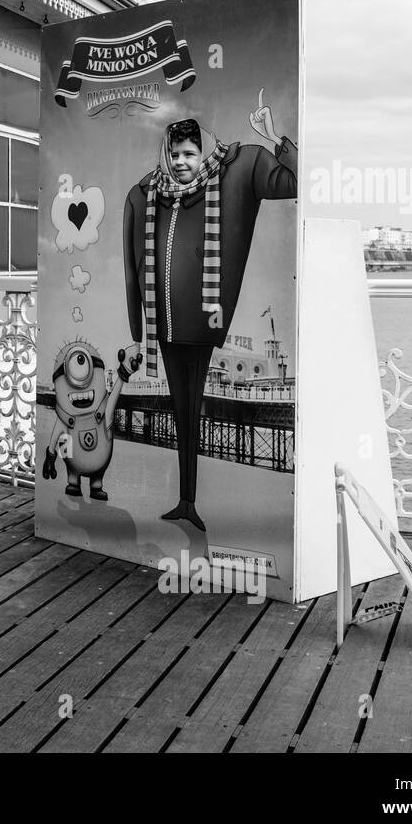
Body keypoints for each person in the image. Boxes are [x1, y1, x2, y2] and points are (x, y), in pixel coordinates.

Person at [122, 103, 297, 533]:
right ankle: (185, 499)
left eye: (189, 155)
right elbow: (131, 262)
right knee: (182, 411)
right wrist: (137, 325)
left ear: (202, 154)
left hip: (202, 322)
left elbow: (295, 181)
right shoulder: (147, 194)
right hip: (163, 325)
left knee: (192, 407)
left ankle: (189, 498)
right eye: (175, 154)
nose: (182, 163)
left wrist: (274, 138)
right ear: (166, 153)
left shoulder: (232, 173)